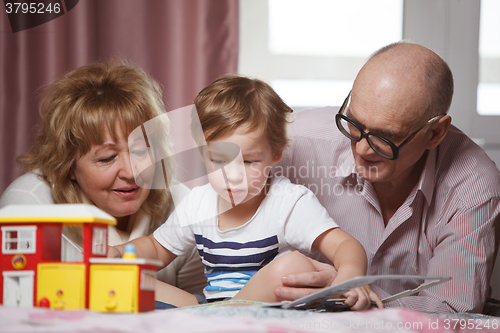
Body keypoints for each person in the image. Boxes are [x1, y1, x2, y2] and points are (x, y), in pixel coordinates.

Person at [109, 74, 383, 310]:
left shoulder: (288, 202)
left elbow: (346, 245)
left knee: (291, 266)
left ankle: (230, 314)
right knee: (129, 279)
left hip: (267, 308)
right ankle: (223, 317)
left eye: (249, 161)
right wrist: (120, 254)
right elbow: (156, 248)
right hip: (211, 308)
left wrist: (349, 276)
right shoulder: (198, 203)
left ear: (275, 153)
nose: (234, 174)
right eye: (219, 160)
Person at [273, 41, 500, 313]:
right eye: (354, 123)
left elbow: (452, 310)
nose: (361, 148)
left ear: (435, 133)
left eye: (385, 137)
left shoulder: (474, 185)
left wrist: (352, 293)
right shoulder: (295, 142)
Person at [0, 59, 206, 301]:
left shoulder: (183, 206)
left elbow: (202, 311)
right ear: (69, 165)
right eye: (108, 158)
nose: (132, 172)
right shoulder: (28, 205)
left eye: (141, 151)